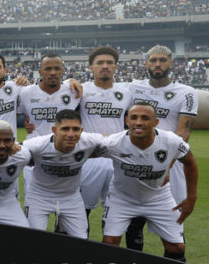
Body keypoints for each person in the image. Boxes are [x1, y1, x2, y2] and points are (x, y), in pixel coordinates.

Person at [101, 102, 198, 262]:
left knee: (177, 247)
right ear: (127, 121)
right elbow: (83, 151)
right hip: (121, 198)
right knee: (109, 244)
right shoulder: (113, 143)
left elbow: (190, 162)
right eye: (134, 118)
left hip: (158, 197)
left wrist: (191, 197)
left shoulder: (171, 141)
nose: (139, 122)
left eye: (145, 118)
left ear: (156, 122)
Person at [125, 45, 198, 251]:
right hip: (137, 161)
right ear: (146, 63)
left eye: (163, 60)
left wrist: (164, 165)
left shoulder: (186, 92)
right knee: (134, 222)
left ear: (171, 63)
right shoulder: (132, 88)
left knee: (173, 222)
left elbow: (183, 133)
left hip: (171, 165)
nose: (158, 64)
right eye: (154, 60)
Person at [22, 110, 105, 238]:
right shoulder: (37, 144)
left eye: (75, 129)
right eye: (65, 129)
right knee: (33, 241)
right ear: (54, 130)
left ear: (81, 130)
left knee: (82, 241)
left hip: (71, 197)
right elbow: (10, 150)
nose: (71, 134)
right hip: (39, 196)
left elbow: (114, 140)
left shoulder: (89, 141)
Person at [78, 46, 132, 224]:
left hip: (116, 158)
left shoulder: (126, 93)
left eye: (110, 62)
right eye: (100, 63)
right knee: (80, 211)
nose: (105, 66)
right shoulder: (80, 90)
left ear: (116, 67)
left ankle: (108, 249)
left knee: (114, 213)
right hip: (89, 158)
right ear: (91, 67)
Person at [18, 53, 80, 193]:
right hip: (34, 154)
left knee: (67, 201)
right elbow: (12, 115)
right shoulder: (25, 93)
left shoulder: (74, 91)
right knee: (33, 202)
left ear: (63, 70)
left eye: (57, 68)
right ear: (40, 71)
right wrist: (25, 124)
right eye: (47, 69)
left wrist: (72, 80)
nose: (52, 72)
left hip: (65, 155)